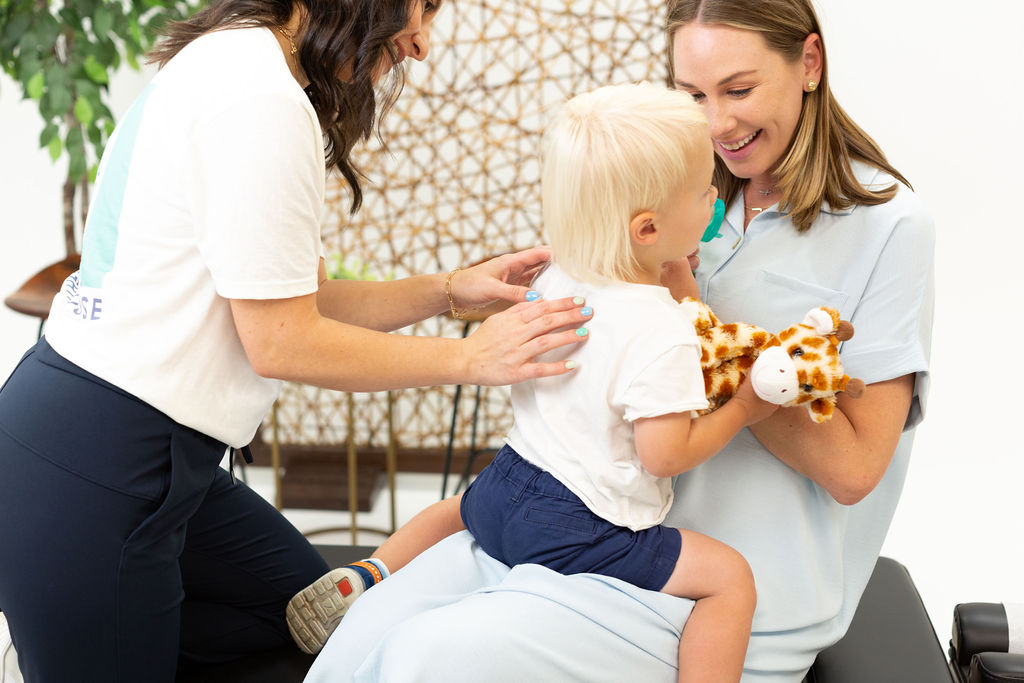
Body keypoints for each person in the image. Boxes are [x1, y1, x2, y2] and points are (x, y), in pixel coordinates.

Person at [304, 0, 935, 681]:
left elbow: (854, 470)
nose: (718, 123)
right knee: (363, 640)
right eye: (693, 94)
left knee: (424, 657)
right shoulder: (667, 185)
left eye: (739, 89)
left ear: (809, 62)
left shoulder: (888, 226)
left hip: (710, 593)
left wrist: (719, 349)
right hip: (582, 526)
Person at [0, 0, 595, 680]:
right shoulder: (260, 98)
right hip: (98, 463)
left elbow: (290, 299)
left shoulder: (238, 60)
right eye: (423, 6)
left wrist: (449, 291)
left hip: (127, 451)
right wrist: (469, 357)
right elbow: (282, 340)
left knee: (313, 620)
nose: (423, 42)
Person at [288, 82, 777, 682]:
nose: (715, 198)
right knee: (731, 579)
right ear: (647, 229)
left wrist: (673, 268)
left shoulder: (559, 276)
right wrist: (744, 409)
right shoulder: (662, 331)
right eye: (705, 191)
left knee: (454, 511)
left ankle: (371, 574)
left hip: (505, 489)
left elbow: (662, 308)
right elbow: (663, 454)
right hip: (580, 528)